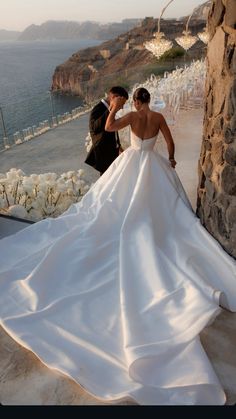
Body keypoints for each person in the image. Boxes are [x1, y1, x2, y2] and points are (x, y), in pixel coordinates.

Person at [0, 87, 236, 406]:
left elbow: (109, 128)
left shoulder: (131, 117)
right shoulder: (158, 116)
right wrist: (171, 158)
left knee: (111, 205)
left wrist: (113, 108)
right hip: (152, 166)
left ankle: (131, 225)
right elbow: (169, 142)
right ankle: (152, 227)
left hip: (131, 165)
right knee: (162, 209)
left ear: (135, 101)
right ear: (149, 100)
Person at [85, 86, 129, 175]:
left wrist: (118, 145)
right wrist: (111, 110)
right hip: (104, 155)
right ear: (114, 97)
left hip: (112, 153)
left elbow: (112, 129)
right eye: (121, 103)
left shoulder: (109, 109)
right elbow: (94, 128)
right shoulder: (98, 108)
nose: (122, 107)